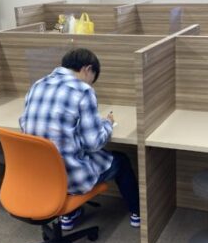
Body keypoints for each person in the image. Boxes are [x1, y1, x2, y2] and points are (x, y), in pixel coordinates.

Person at [19, 48, 141, 230]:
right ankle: (137, 213)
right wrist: (107, 124)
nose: (90, 84)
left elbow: (25, 125)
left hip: (40, 174)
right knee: (121, 160)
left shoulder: (38, 84)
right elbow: (93, 143)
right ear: (87, 69)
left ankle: (69, 215)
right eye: (92, 79)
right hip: (70, 177)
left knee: (63, 151)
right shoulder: (83, 91)